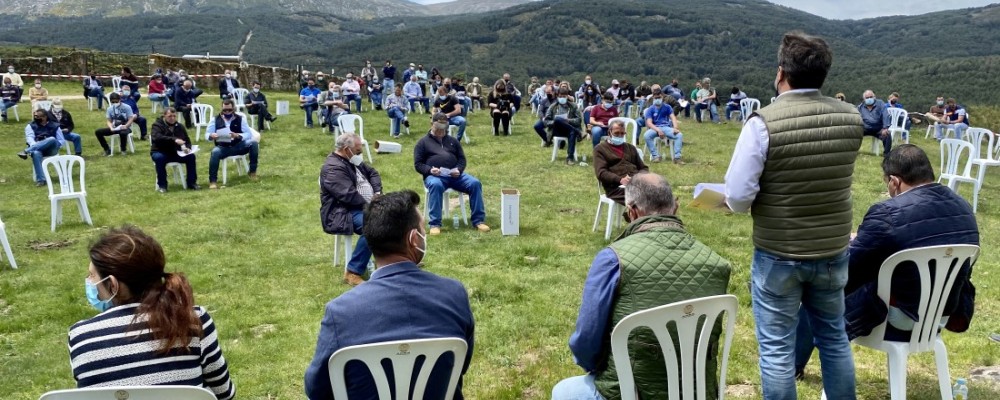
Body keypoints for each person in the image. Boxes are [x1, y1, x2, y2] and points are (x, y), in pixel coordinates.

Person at [724, 31, 863, 400]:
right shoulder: (851, 118)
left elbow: (737, 197)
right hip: (832, 249)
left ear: (781, 72)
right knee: (834, 338)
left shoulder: (762, 122)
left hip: (779, 251)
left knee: (776, 350)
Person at [795, 144, 979, 378]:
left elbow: (847, 272)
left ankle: (793, 367)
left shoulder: (888, 213)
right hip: (942, 314)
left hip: (900, 317)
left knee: (821, 288)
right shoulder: (964, 209)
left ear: (894, 181)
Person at [551, 172, 732, 400]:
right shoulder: (717, 264)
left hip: (632, 392)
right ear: (675, 207)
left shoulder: (613, 259)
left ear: (632, 211)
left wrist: (594, 365)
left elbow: (586, 341)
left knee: (564, 391)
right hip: (698, 392)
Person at [305, 190, 475, 399]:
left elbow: (317, 389)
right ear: (414, 238)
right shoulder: (454, 294)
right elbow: (460, 366)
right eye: (423, 228)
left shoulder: (339, 312)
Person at [69, 226, 235, 399]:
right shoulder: (192, 319)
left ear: (112, 284)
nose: (89, 282)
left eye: (91, 275)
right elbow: (224, 393)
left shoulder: (80, 336)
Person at [320, 133, 382, 286]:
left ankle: (395, 263)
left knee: (394, 218)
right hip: (343, 212)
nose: (360, 153)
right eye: (358, 150)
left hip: (363, 206)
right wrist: (372, 206)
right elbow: (348, 196)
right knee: (373, 226)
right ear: (347, 149)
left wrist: (377, 193)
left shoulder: (353, 159)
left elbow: (373, 173)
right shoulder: (333, 168)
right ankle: (353, 272)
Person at [414, 113, 490, 235]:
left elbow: (462, 160)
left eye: (443, 127)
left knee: (475, 183)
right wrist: (430, 170)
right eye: (438, 127)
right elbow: (418, 164)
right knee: (436, 185)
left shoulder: (453, 141)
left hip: (455, 175)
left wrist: (458, 170)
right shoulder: (422, 143)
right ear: (431, 123)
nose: (440, 130)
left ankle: (478, 221)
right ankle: (435, 224)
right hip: (435, 176)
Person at [206, 100, 259, 189]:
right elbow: (207, 134)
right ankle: (213, 181)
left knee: (253, 143)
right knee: (215, 152)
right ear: (221, 109)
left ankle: (252, 172)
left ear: (233, 109)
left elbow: (248, 134)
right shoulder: (215, 120)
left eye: (229, 110)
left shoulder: (240, 119)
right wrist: (211, 136)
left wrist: (238, 135)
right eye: (224, 110)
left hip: (238, 145)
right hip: (223, 147)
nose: (227, 112)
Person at [592, 120, 648, 205]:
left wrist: (640, 177)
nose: (620, 136)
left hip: (636, 183)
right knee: (644, 198)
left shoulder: (631, 148)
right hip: (615, 188)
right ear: (609, 132)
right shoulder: (600, 149)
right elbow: (601, 173)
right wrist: (620, 180)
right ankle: (635, 216)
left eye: (622, 133)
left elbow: (643, 168)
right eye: (616, 133)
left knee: (660, 193)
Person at [150, 108, 199, 192]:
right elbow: (157, 138)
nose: (172, 118)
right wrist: (174, 139)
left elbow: (187, 140)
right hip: (160, 151)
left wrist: (188, 148)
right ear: (164, 116)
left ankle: (192, 183)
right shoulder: (157, 125)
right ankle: (162, 186)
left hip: (176, 153)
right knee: (159, 159)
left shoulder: (179, 126)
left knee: (191, 157)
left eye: (174, 116)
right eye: (169, 116)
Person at [18, 108, 65, 186]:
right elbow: (29, 138)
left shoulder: (55, 125)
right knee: (35, 153)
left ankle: (26, 151)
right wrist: (36, 145)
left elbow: (61, 140)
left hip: (52, 149)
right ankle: (41, 180)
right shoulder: (30, 126)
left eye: (39, 117)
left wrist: (53, 145)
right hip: (38, 148)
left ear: (45, 117)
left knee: (52, 139)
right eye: (35, 116)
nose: (36, 118)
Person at [544, 87, 584, 165]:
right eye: (560, 96)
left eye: (564, 96)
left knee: (572, 132)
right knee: (558, 120)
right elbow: (546, 121)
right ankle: (579, 132)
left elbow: (579, 120)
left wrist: (568, 120)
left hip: (569, 129)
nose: (562, 98)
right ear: (557, 96)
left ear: (567, 96)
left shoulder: (573, 106)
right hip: (556, 130)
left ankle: (569, 158)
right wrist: (555, 122)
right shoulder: (553, 106)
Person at [642, 90, 684, 164]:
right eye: (656, 98)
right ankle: (655, 156)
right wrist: (658, 130)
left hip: (666, 127)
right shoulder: (651, 109)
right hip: (654, 128)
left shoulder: (667, 107)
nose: (657, 99)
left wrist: (675, 128)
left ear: (662, 97)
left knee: (679, 135)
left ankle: (677, 157)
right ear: (653, 98)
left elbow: (673, 117)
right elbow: (649, 122)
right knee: (646, 135)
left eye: (659, 97)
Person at [859, 89, 891, 155]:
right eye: (867, 98)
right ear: (864, 99)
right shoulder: (860, 107)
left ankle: (887, 155)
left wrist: (885, 128)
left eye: (871, 97)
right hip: (865, 128)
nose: (869, 99)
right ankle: (853, 152)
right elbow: (856, 117)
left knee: (887, 135)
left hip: (878, 128)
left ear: (874, 97)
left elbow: (885, 115)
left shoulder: (880, 103)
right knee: (853, 134)